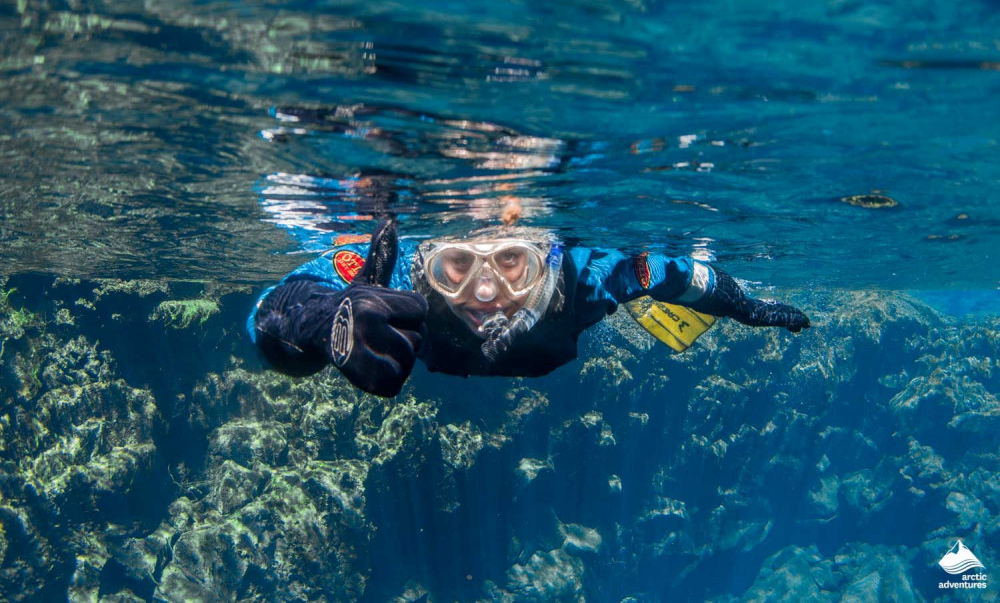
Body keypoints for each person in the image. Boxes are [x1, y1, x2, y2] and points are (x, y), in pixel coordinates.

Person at [248, 219, 810, 397]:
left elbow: (682, 277)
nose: (485, 292)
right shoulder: (391, 277)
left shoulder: (587, 278)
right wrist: (319, 324)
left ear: (548, 256)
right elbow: (270, 312)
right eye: (457, 266)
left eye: (513, 260)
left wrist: (748, 308)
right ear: (426, 266)